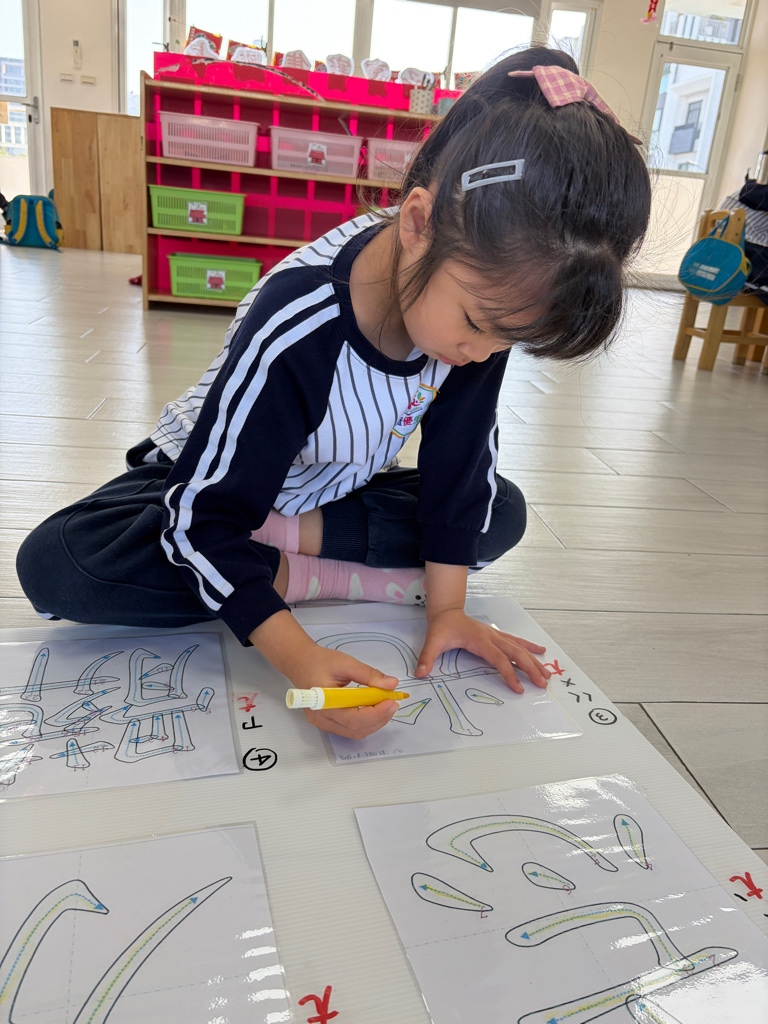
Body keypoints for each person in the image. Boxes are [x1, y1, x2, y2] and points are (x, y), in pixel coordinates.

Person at [16, 47, 651, 741]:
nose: (484, 354)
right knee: (60, 563)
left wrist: (448, 612)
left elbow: (461, 466)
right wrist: (299, 656)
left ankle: (280, 551)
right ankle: (316, 571)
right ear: (417, 225)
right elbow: (203, 516)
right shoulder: (303, 316)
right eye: (477, 326)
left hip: (330, 489)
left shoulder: (480, 311)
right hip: (206, 482)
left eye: (508, 341)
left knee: (500, 511)